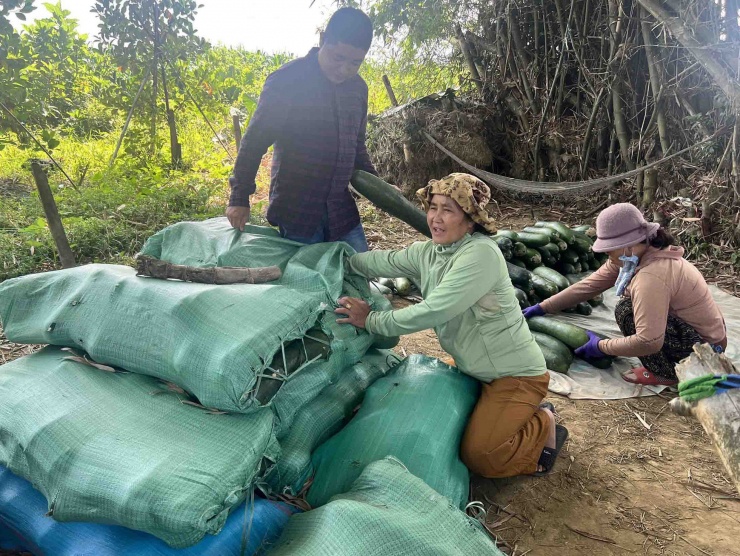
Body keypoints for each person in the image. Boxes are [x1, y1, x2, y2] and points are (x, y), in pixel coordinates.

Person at [335, 173, 569, 477]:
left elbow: (434, 310)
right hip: (471, 367)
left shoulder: (481, 254)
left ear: (470, 220)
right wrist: (340, 258)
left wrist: (372, 320)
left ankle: (543, 424)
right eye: (433, 207)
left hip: (514, 375)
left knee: (482, 455)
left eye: (449, 210)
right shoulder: (429, 252)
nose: (436, 218)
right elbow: (382, 261)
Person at [523, 203, 727, 386]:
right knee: (629, 306)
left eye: (608, 249)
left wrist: (602, 347)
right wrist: (543, 306)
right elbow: (589, 286)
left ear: (627, 245)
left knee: (626, 311)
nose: (605, 254)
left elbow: (649, 341)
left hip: (703, 351)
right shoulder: (636, 255)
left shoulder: (652, 276)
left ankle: (666, 373)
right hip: (702, 336)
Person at [225, 7, 377, 253]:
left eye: (355, 63)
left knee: (360, 274)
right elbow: (254, 142)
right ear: (323, 39)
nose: (345, 69)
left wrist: (380, 187)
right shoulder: (288, 81)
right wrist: (239, 198)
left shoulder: (358, 89)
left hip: (341, 212)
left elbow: (357, 147)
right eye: (338, 58)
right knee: (306, 282)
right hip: (298, 213)